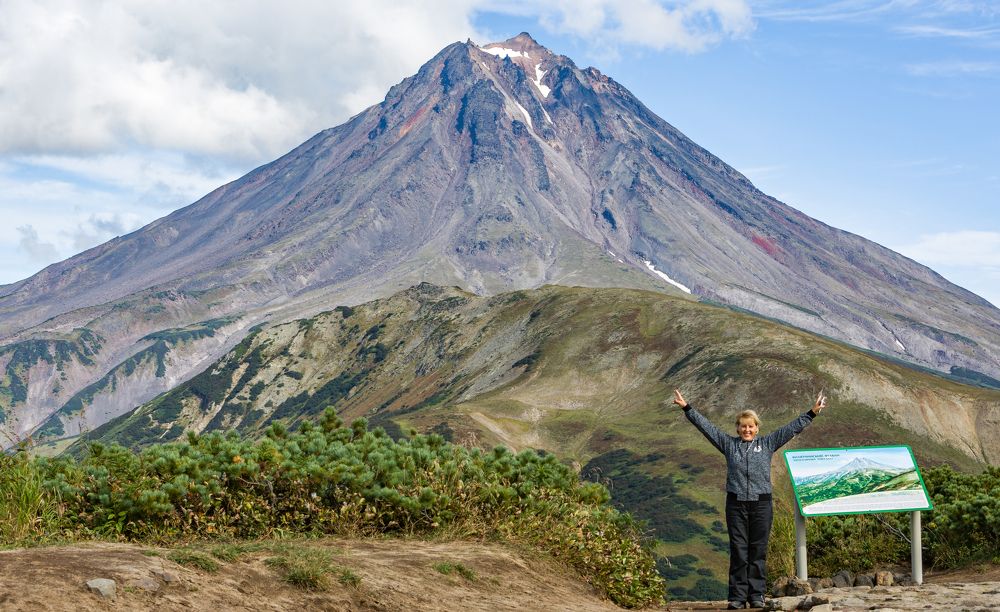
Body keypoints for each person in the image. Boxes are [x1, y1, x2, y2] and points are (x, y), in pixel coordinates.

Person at [672, 388, 827, 610]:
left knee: (758, 550)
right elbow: (706, 428)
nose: (747, 429)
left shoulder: (768, 444)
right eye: (743, 426)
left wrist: (811, 412)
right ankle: (736, 597)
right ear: (737, 428)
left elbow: (791, 428)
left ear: (757, 428)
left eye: (751, 426)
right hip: (735, 504)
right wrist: (687, 408)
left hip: (761, 504)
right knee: (738, 550)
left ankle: (756, 595)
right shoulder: (728, 444)